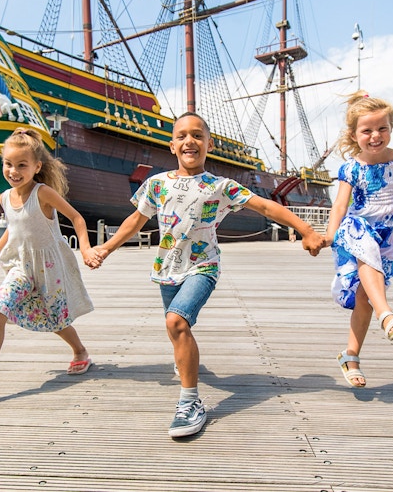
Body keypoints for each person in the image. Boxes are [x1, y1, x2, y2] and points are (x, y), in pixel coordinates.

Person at [88, 112, 325, 438]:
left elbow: (267, 207)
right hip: (167, 269)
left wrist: (307, 230)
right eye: (182, 135)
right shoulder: (157, 184)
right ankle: (184, 362)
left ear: (209, 144)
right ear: (172, 145)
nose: (190, 141)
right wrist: (106, 249)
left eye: (198, 135)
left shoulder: (220, 187)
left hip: (204, 266)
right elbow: (135, 221)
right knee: (177, 330)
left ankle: (190, 402)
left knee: (177, 322)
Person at [0, 128, 100, 401]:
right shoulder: (4, 197)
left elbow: (77, 219)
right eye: (8, 164)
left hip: (49, 268)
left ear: (37, 167)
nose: (14, 171)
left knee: (55, 318)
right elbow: (13, 227)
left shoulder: (42, 193)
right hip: (20, 266)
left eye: (22, 165)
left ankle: (80, 351)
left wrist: (85, 249)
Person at [325, 91, 393, 389]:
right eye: (367, 130)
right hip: (358, 227)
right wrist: (329, 234)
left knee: (365, 297)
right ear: (354, 134)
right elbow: (340, 205)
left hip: (390, 233)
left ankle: (350, 355)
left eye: (382, 128)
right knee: (367, 256)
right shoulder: (351, 168)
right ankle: (387, 316)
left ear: (391, 128)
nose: (376, 136)